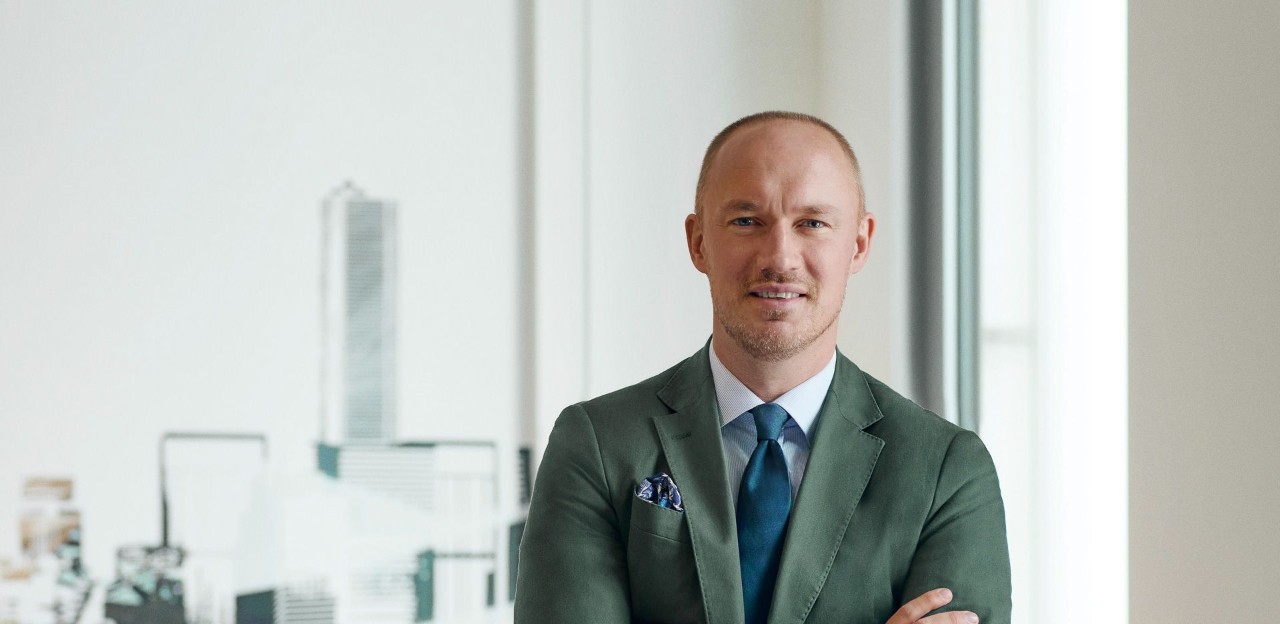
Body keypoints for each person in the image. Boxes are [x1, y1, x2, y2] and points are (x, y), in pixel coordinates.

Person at [514, 111, 1011, 624]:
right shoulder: (596, 444)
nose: (780, 257)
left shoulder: (947, 472)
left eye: (812, 223)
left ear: (859, 244)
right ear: (698, 241)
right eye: (747, 221)